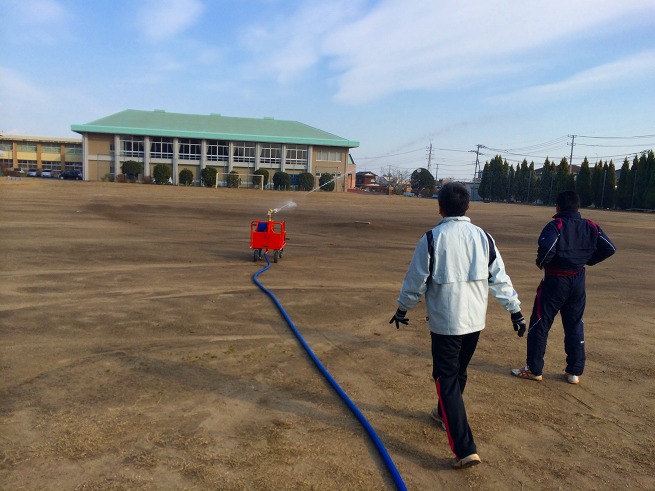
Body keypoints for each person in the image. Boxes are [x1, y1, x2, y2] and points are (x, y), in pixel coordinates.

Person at [389, 182, 525, 469]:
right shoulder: (483, 237)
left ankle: (465, 448)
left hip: (446, 324)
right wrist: (515, 311)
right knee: (458, 372)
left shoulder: (432, 238)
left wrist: (403, 308)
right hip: (475, 321)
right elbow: (499, 277)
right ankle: (442, 412)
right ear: (468, 207)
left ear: (440, 207)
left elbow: (415, 282)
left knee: (447, 378)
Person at [511, 190, 616, 384]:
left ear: (558, 207)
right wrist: (588, 260)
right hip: (578, 280)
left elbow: (547, 248)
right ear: (578, 207)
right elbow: (609, 247)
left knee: (540, 323)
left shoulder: (556, 225)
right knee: (575, 323)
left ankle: (534, 368)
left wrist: (541, 262)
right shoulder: (590, 226)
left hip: (555, 280)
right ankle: (574, 371)